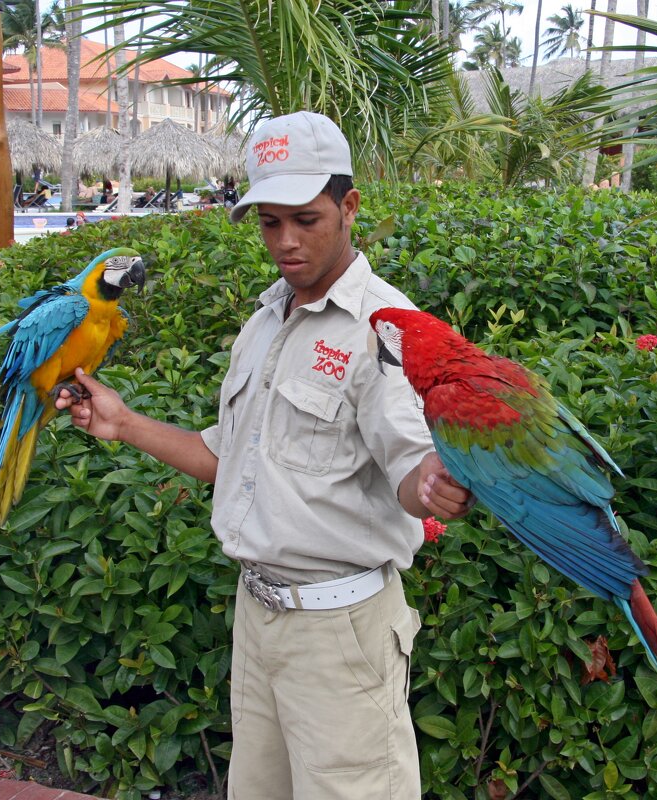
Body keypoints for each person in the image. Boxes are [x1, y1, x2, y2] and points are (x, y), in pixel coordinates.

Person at [55, 111, 472, 799]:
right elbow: (232, 460)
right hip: (259, 617)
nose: (285, 241)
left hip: (341, 635)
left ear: (349, 207)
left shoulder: (385, 328)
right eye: (269, 222)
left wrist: (437, 483)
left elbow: (411, 465)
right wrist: (123, 423)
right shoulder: (263, 323)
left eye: (305, 220)